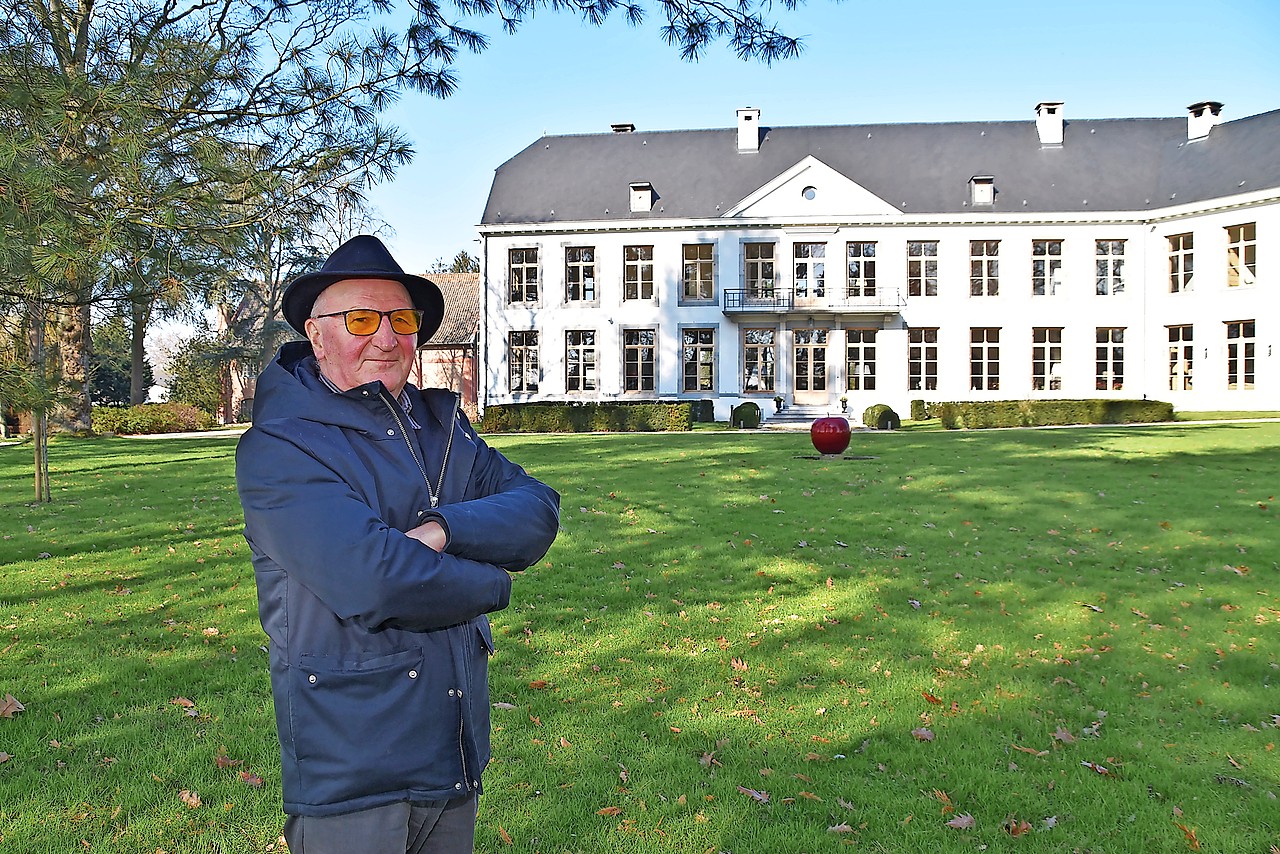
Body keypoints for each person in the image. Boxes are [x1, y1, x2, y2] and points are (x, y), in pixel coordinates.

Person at [235, 235, 560, 853]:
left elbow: (537, 509)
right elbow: (375, 579)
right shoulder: (282, 447)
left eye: (403, 320)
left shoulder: (442, 431)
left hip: (452, 751)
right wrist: (496, 583)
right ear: (316, 331)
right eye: (361, 319)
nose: (386, 337)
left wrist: (445, 531)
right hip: (356, 766)